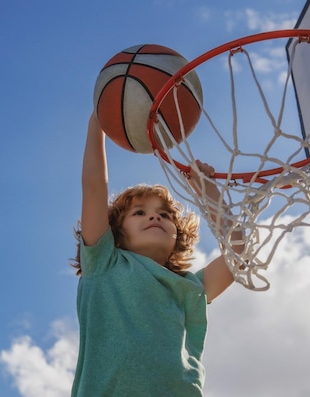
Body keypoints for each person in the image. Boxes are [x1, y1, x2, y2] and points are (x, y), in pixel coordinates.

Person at [70, 112, 243, 396]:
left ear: (177, 236)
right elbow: (93, 185)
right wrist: (98, 121)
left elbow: (239, 254)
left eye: (164, 215)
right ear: (115, 230)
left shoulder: (190, 287)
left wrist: (208, 191)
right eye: (139, 213)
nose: (155, 218)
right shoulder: (104, 263)